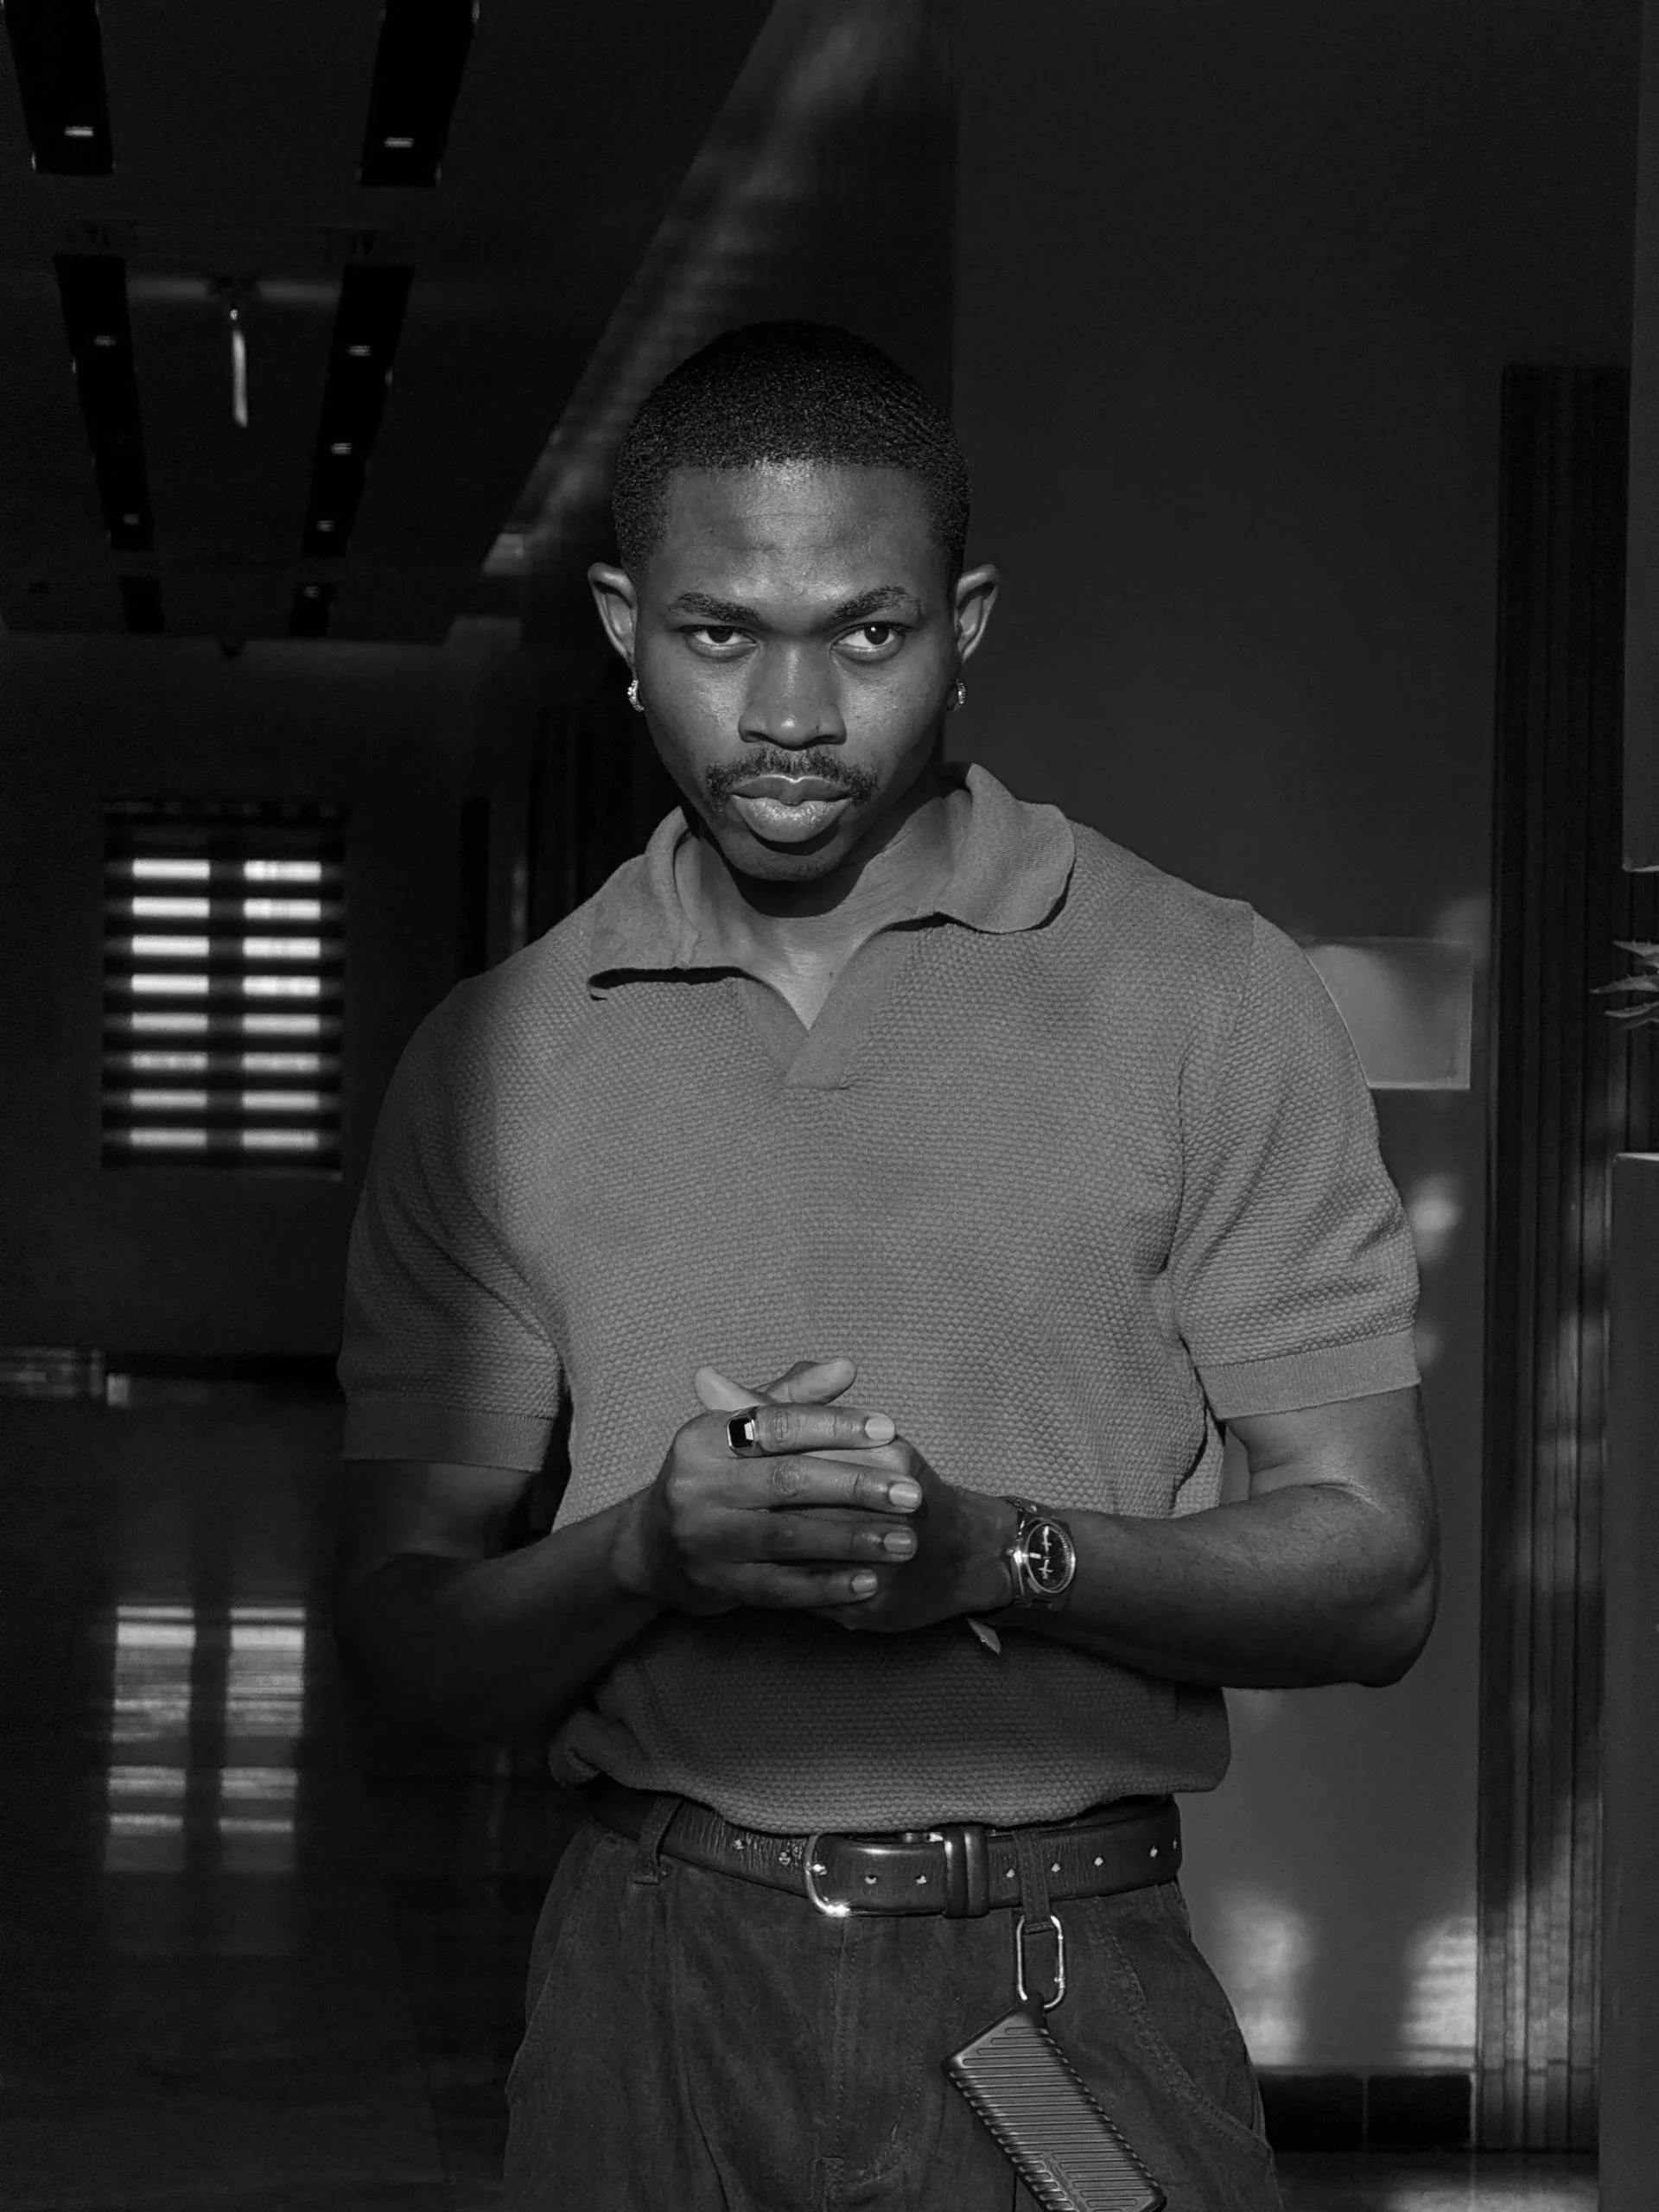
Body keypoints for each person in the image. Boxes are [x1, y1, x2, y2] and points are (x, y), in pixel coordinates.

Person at [334, 321, 1438, 2212]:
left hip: (1058, 1984)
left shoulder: (1203, 994)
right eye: (714, 631)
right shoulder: (500, 1057)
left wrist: (989, 1551)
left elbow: (1372, 1571)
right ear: (620, 620)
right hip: (649, 1983)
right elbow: (407, 1643)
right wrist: (648, 1554)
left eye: (865, 630)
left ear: (967, 618)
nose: (786, 710)